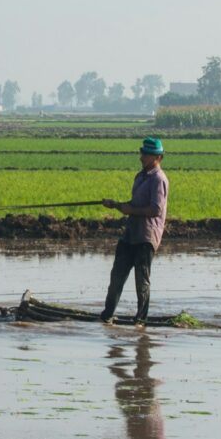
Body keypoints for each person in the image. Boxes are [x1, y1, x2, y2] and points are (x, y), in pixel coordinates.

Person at [99, 137, 169, 325]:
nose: (142, 157)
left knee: (142, 280)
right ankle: (107, 314)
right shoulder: (140, 177)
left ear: (158, 158)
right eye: (142, 153)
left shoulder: (158, 179)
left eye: (146, 154)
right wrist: (116, 205)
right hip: (130, 234)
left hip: (146, 236)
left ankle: (141, 319)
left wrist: (130, 210)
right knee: (117, 276)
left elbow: (156, 210)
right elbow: (134, 205)